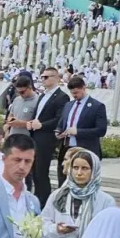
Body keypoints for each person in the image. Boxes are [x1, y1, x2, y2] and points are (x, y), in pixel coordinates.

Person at [39, 148, 116, 238]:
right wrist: (57, 229)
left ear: (94, 170)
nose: (79, 173)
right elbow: (43, 224)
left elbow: (110, 236)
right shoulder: (58, 195)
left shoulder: (105, 201)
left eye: (85, 168)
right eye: (75, 168)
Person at [29, 67, 71, 206]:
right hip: (35, 136)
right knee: (34, 170)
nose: (43, 79)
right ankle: (37, 197)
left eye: (46, 77)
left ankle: (44, 201)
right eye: (42, 77)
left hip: (46, 138)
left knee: (41, 170)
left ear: (56, 78)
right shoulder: (42, 95)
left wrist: (42, 125)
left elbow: (59, 118)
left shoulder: (61, 96)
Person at [55, 76, 107, 185]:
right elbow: (61, 123)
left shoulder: (97, 106)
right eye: (72, 93)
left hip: (85, 149)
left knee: (82, 182)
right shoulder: (69, 105)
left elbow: (101, 130)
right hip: (66, 149)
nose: (75, 95)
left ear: (84, 88)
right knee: (63, 180)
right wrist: (58, 131)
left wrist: (78, 132)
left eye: (77, 92)